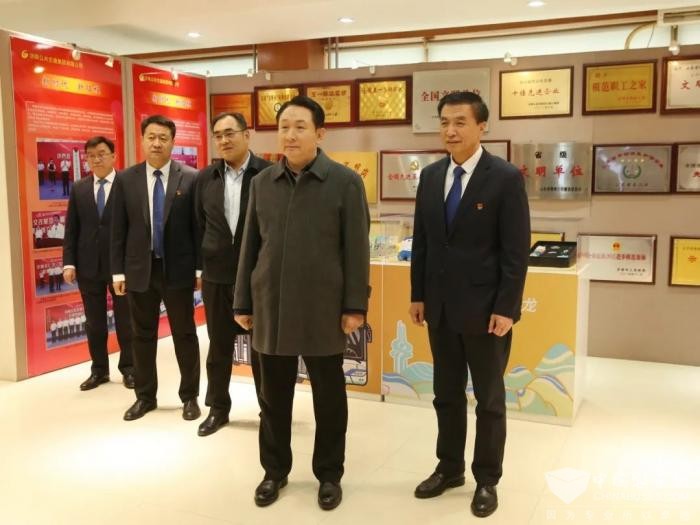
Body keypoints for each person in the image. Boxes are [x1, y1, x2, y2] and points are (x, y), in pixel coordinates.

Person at [234, 95, 370, 511]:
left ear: (320, 133)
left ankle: (329, 474)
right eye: (284, 127)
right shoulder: (262, 183)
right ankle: (274, 471)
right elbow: (250, 246)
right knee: (272, 398)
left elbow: (356, 250)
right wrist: (243, 301)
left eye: (300, 127)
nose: (290, 135)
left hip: (322, 308)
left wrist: (354, 306)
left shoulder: (345, 182)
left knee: (329, 398)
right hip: (271, 306)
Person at [409, 91, 530, 518]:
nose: (450, 130)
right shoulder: (431, 176)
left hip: (486, 312)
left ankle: (487, 478)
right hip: (440, 309)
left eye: (460, 122)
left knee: (489, 399)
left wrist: (506, 308)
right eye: (444, 122)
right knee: (445, 394)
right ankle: (449, 468)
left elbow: (515, 251)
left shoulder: (505, 178)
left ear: (482, 126)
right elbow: (423, 242)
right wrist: (418, 294)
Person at [111, 115, 201, 422]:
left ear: (173, 141)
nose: (156, 143)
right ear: (142, 140)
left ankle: (190, 396)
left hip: (178, 270)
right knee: (142, 336)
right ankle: (145, 397)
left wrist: (199, 270)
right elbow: (118, 229)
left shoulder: (190, 177)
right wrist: (118, 272)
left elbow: (197, 228)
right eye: (151, 137)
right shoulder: (126, 179)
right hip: (140, 270)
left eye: (163, 137)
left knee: (184, 334)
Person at [194, 112, 271, 437]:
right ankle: (218, 408)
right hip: (217, 277)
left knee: (263, 350)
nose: (224, 140)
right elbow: (199, 225)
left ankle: (270, 410)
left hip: (257, 278)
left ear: (246, 135)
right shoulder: (206, 178)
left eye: (230, 133)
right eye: (218, 135)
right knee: (219, 347)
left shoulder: (268, 174)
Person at [63, 136, 135, 391]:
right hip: (88, 266)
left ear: (114, 156)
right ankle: (99, 370)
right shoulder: (79, 188)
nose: (96, 159)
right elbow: (71, 228)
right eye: (91, 155)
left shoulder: (127, 184)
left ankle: (129, 369)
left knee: (126, 321)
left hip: (120, 267)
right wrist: (69, 263)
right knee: (94, 323)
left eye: (102, 153)